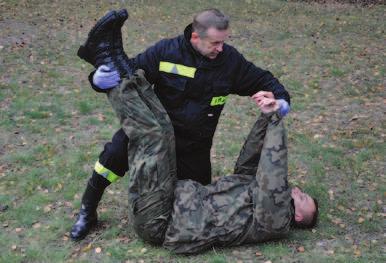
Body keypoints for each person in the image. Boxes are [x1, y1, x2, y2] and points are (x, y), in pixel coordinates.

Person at [71, 8, 292, 240]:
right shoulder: (166, 51)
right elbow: (128, 75)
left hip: (194, 146)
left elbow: (263, 79)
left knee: (196, 204)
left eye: (223, 42)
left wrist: (280, 102)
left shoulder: (229, 61)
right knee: (114, 155)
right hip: (153, 134)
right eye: (215, 43)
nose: (220, 48)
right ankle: (88, 210)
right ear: (196, 37)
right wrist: (98, 80)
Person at [105, 69, 318, 254]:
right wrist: (265, 118)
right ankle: (126, 72)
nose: (298, 190)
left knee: (151, 137)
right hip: (170, 199)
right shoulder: (259, 196)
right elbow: (251, 162)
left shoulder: (277, 220)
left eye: (303, 198)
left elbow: (274, 168)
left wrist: (275, 120)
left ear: (298, 216)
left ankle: (112, 81)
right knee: (165, 130)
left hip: (160, 221)